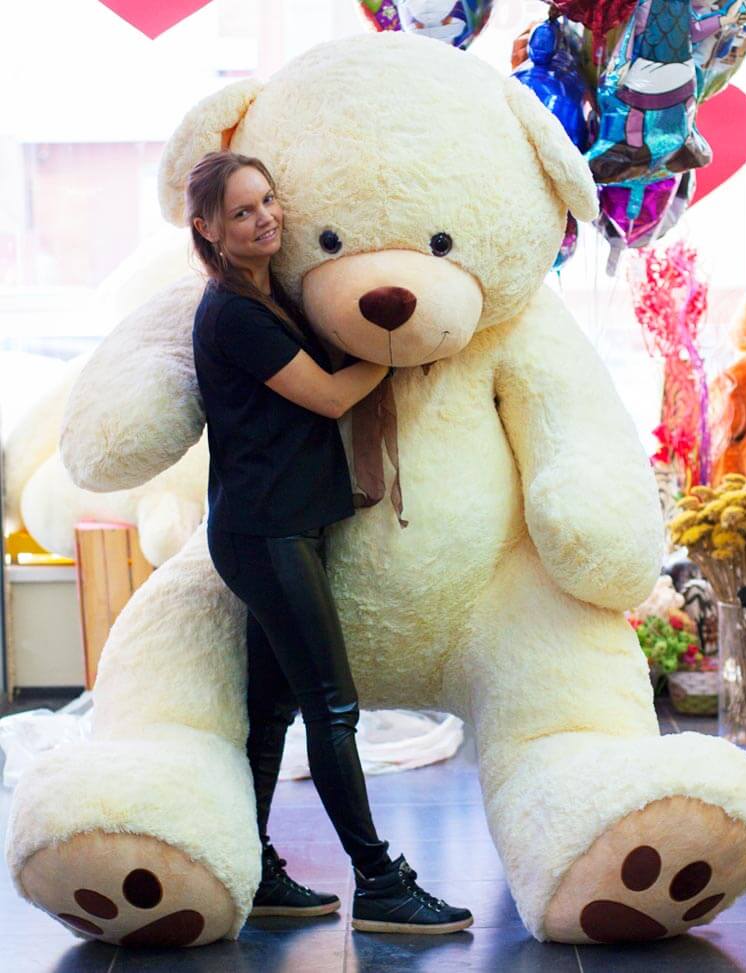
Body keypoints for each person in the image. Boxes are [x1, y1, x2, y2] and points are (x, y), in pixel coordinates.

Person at [188, 150, 473, 935]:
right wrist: (400, 347)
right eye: (242, 212)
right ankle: (379, 882)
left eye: (267, 200)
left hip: (282, 523)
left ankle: (251, 869)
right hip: (265, 530)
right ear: (207, 229)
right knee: (333, 706)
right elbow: (328, 396)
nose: (265, 218)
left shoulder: (270, 295)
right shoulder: (234, 313)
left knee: (272, 709)